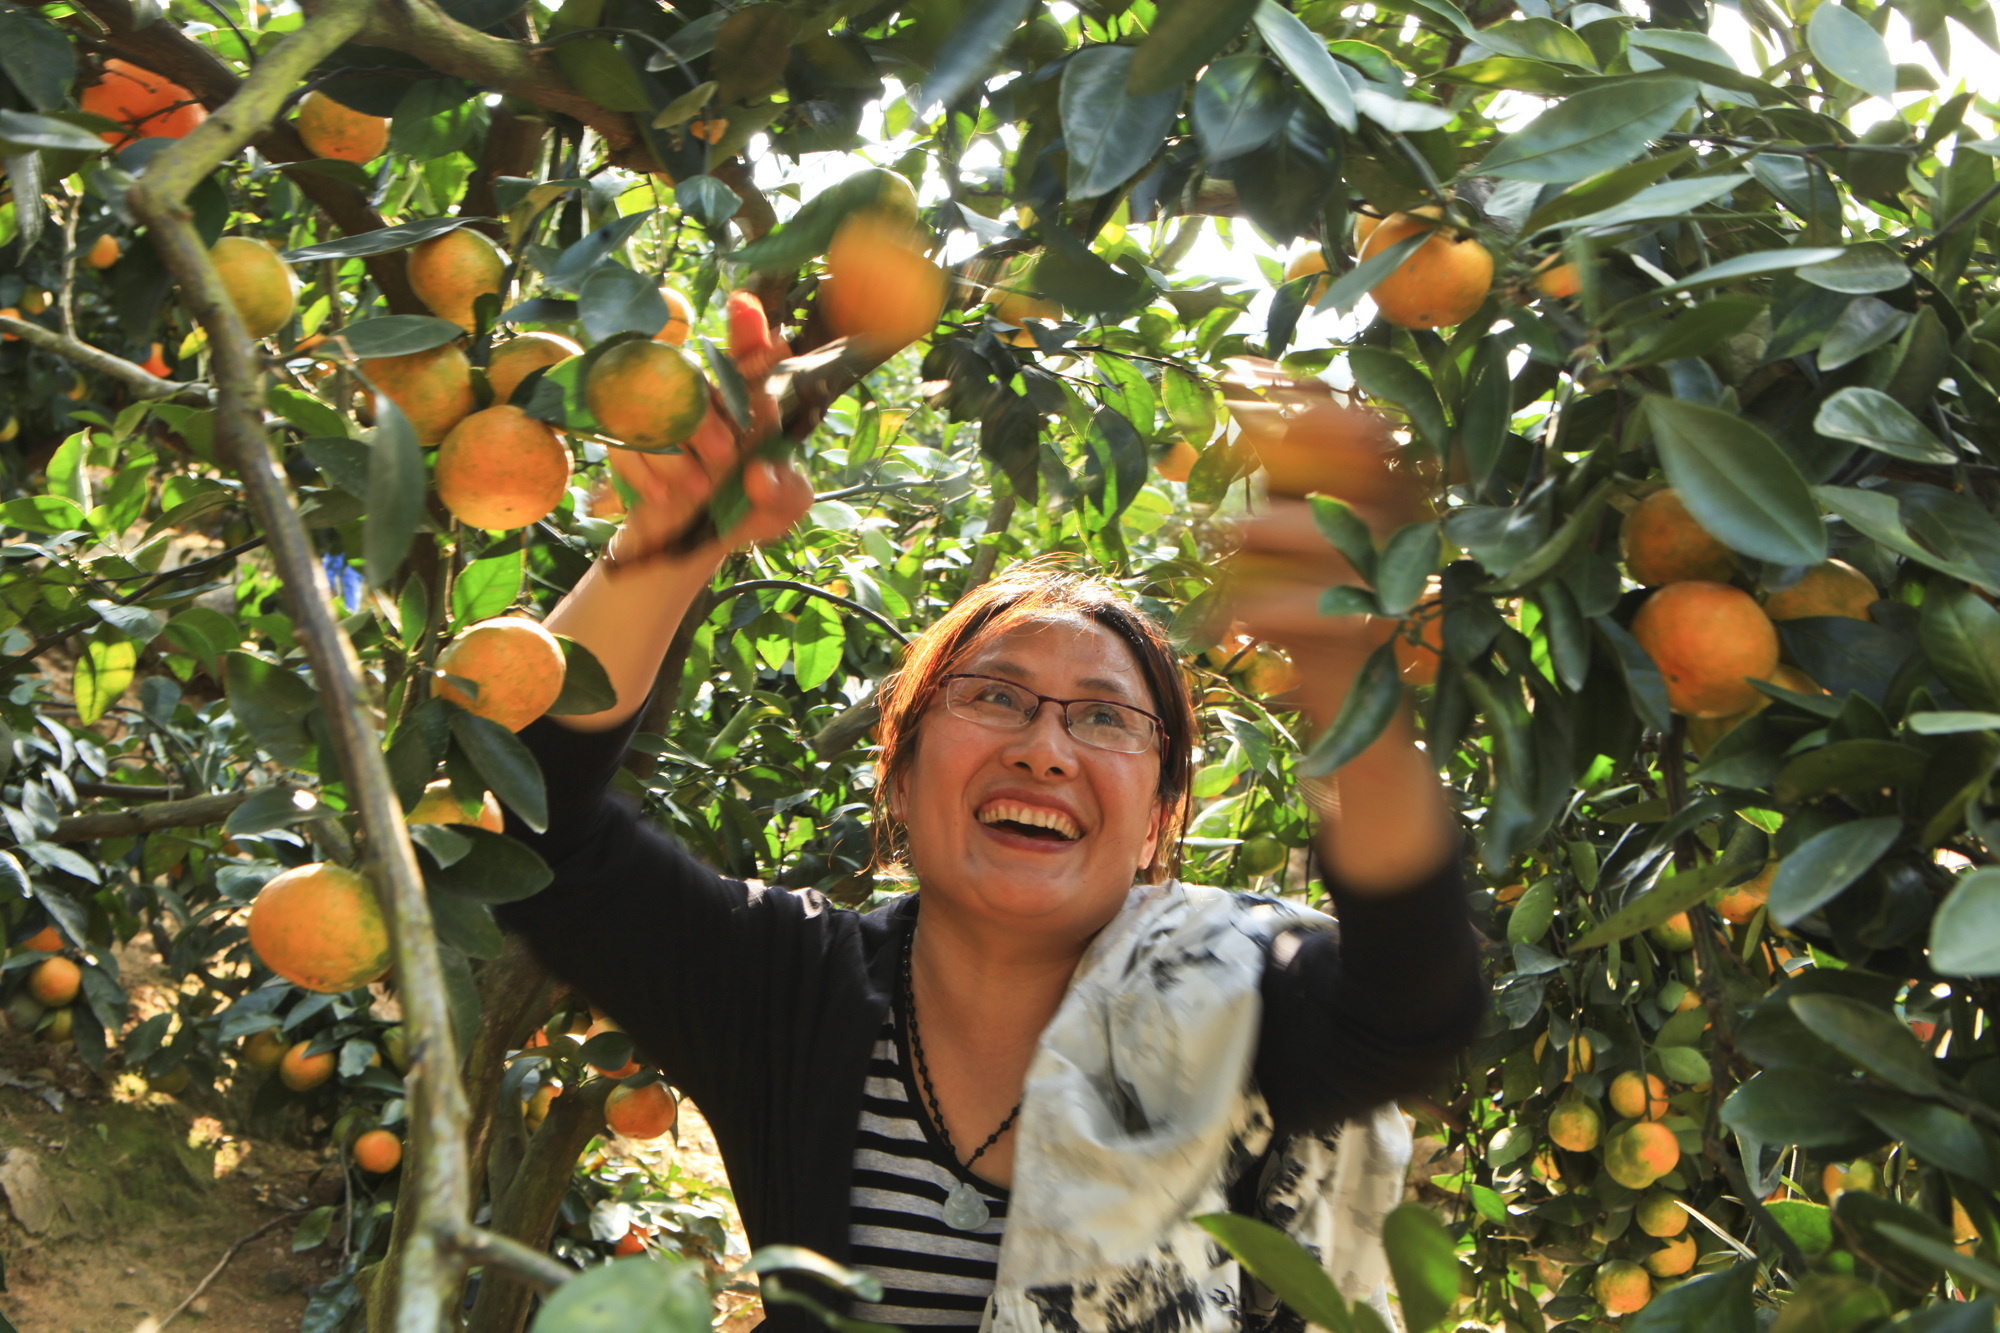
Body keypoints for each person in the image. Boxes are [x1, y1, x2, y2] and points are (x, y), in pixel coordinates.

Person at [496, 295, 1484, 1333]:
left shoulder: (1233, 1001)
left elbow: (1412, 1002)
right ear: (899, 771)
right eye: (995, 696)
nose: (1042, 747)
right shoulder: (778, 987)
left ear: (1156, 818)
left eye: (1103, 717)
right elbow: (534, 830)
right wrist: (660, 552)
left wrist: (1345, 678)